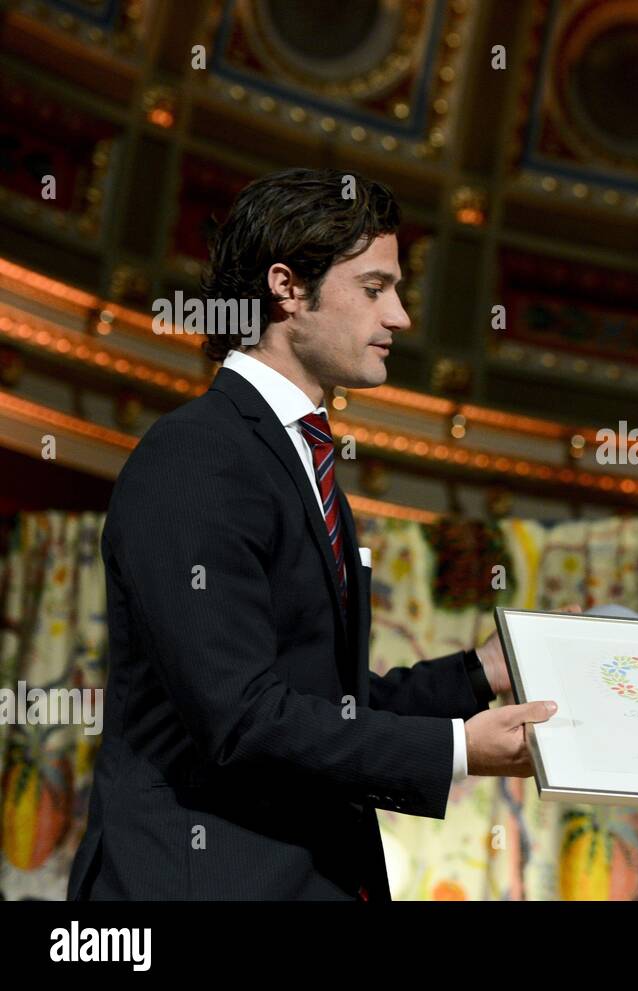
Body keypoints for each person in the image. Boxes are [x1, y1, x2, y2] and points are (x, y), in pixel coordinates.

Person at [67, 168, 555, 900]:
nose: (400, 317)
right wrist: (458, 748)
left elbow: (325, 703)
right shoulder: (197, 454)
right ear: (287, 287)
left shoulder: (295, 453)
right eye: (374, 288)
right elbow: (241, 715)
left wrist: (478, 673)